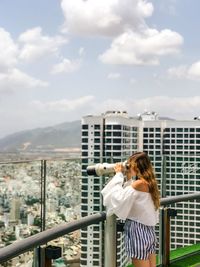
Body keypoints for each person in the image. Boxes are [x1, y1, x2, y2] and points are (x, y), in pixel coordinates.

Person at [101, 152, 160, 267]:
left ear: (136, 166)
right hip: (149, 230)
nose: (129, 166)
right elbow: (133, 197)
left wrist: (118, 174)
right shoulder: (149, 183)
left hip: (137, 229)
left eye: (130, 164)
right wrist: (128, 178)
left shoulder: (138, 184)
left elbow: (119, 198)